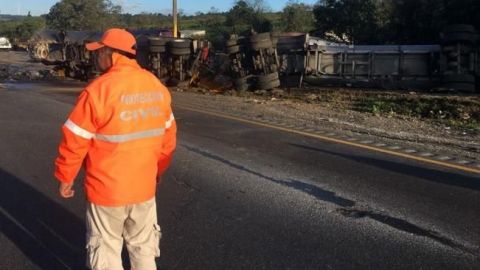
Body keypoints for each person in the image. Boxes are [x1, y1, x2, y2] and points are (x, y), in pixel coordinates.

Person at [54, 28, 177, 270]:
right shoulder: (155, 86)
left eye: (99, 51)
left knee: (106, 250)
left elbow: (75, 140)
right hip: (143, 188)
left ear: (110, 53)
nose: (96, 57)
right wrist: (156, 173)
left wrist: (65, 176)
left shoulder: (98, 91)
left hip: (107, 191)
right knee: (143, 248)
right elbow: (168, 140)